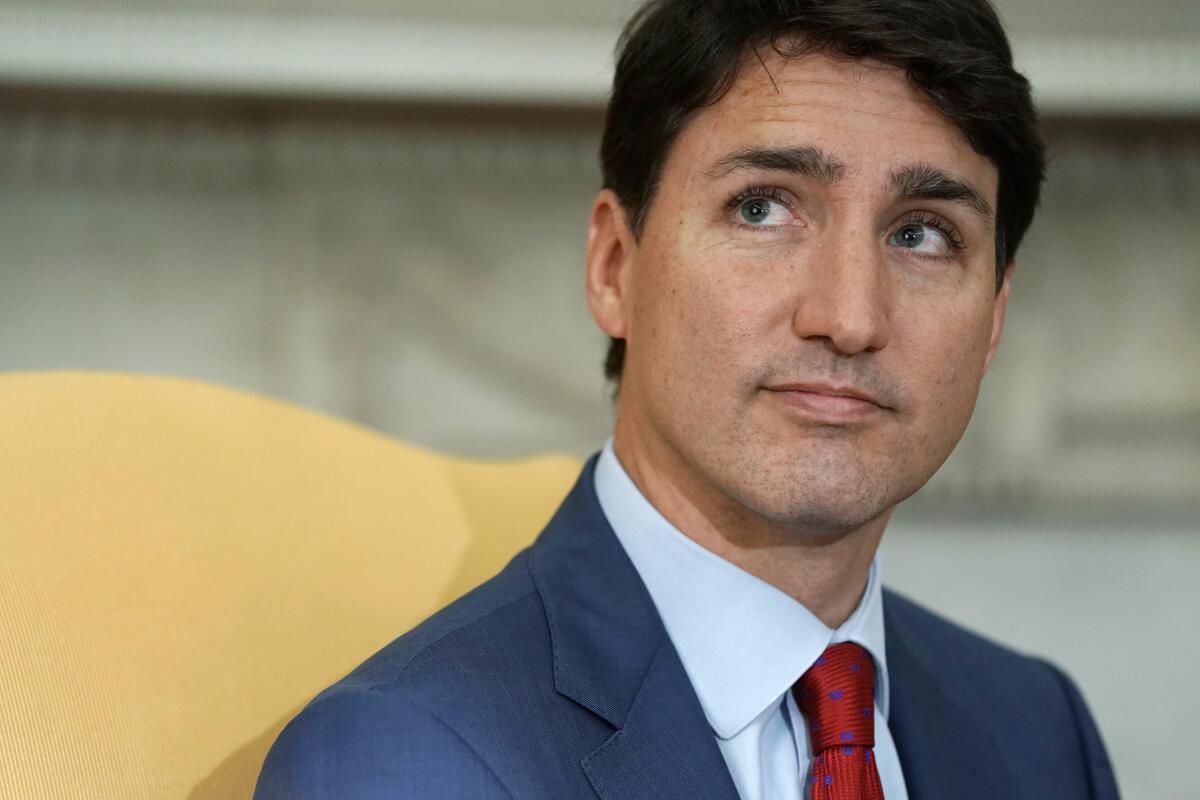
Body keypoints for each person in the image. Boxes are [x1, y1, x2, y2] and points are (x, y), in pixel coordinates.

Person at [254, 1, 1120, 798]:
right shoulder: (404, 755)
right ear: (614, 267)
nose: (850, 317)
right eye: (761, 208)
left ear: (995, 316)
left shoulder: (1041, 732)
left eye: (922, 233)